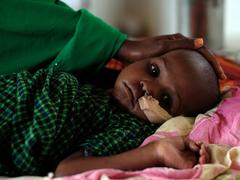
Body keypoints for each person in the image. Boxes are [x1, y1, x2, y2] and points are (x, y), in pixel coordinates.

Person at [0, 0, 224, 177]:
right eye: (154, 70)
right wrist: (115, 44)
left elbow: (66, 170)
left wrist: (155, 153)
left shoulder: (127, 127)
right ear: (137, 59)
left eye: (166, 100)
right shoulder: (96, 70)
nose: (148, 87)